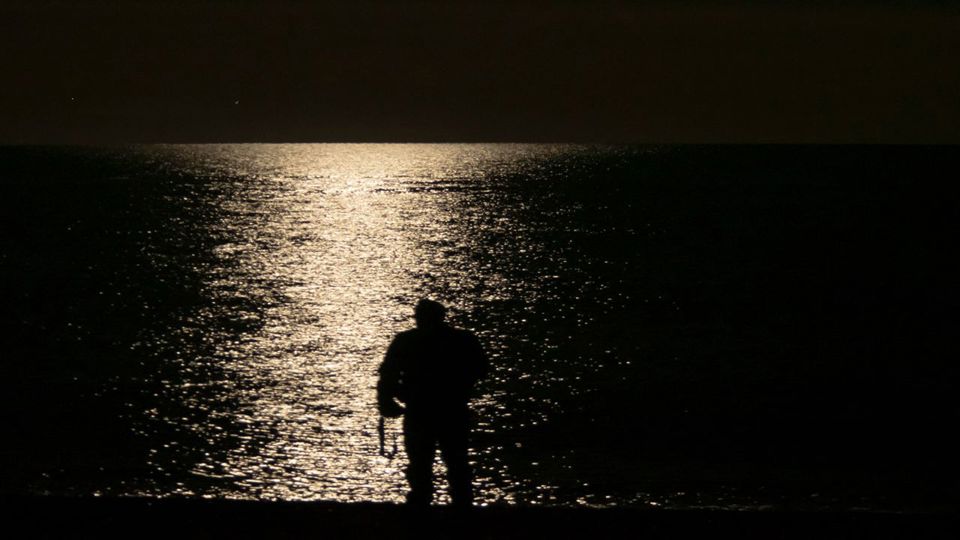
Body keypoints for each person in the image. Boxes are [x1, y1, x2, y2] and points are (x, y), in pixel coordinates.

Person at [377, 299, 488, 506]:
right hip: (453, 409)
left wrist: (387, 401)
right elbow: (482, 369)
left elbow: (388, 375)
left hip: (420, 409)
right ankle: (461, 507)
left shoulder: (406, 340)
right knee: (456, 461)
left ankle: (421, 505)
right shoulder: (463, 339)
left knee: (421, 462)